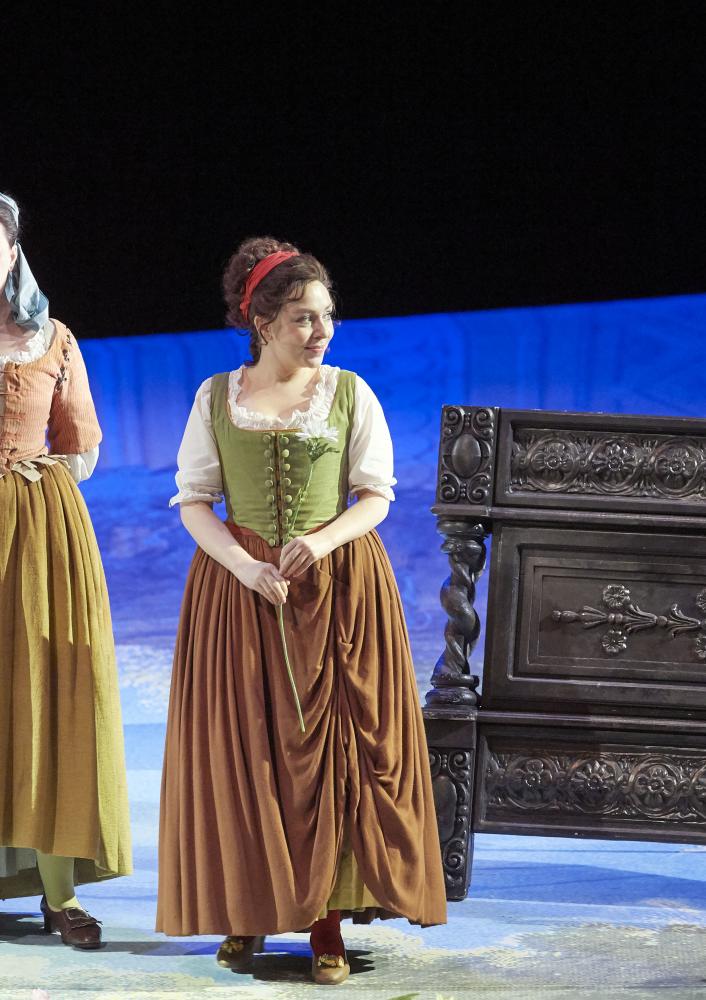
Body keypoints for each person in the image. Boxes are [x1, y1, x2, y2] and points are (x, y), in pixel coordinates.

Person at [157, 236, 446, 985]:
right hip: (241, 591)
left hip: (339, 587)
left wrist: (319, 543)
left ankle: (326, 924)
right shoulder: (216, 398)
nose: (321, 331)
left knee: (333, 755)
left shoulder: (349, 392)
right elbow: (194, 502)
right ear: (262, 321)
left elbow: (375, 496)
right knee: (247, 751)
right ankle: (248, 910)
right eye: (302, 318)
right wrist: (246, 566)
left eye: (326, 315)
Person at [0, 193, 131, 948]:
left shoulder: (52, 338)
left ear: (13, 251)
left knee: (44, 697)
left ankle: (58, 894)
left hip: (37, 532)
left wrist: (25, 486)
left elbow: (81, 448)